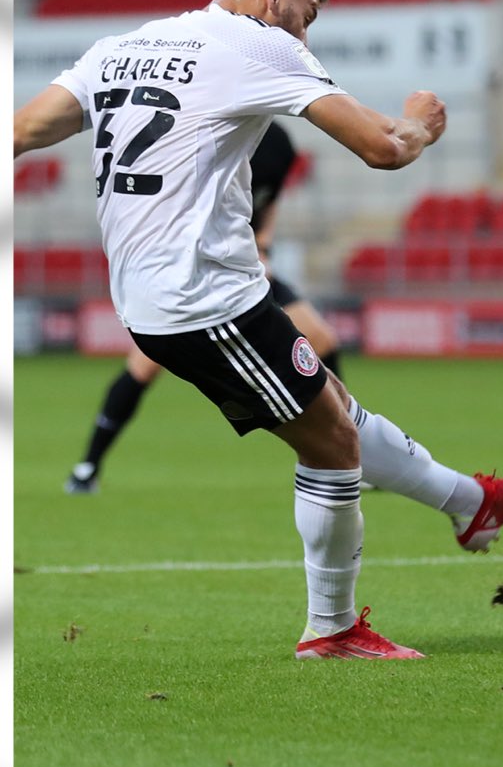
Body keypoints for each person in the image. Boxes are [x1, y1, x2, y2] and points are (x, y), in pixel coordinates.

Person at [15, 0, 503, 661]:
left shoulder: (125, 46)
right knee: (332, 444)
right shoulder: (258, 44)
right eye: (304, 18)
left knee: (334, 407)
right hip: (201, 299)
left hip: (168, 292)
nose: (304, 38)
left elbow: (23, 129)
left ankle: (474, 504)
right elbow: (384, 148)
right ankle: (332, 628)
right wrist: (421, 127)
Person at [64, 120, 351, 494]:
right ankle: (87, 467)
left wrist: (263, 247)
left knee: (323, 339)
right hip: (192, 271)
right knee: (144, 368)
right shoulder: (209, 128)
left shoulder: (279, 144)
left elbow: (269, 200)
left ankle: (349, 448)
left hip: (247, 267)